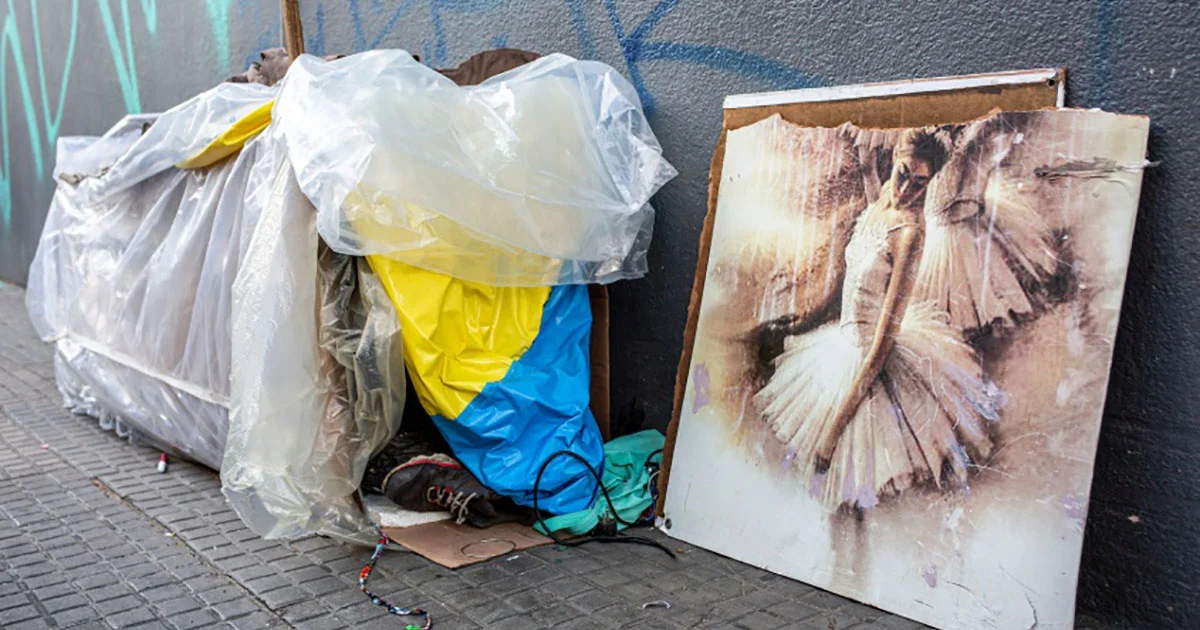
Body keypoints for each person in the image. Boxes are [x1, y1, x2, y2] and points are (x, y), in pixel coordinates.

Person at [754, 128, 1003, 510]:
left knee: (855, 492)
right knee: (813, 495)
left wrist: (833, 431)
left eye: (920, 184)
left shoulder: (911, 234)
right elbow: (875, 220)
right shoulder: (880, 200)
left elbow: (884, 341)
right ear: (894, 161)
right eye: (903, 175)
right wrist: (868, 166)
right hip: (839, 346)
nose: (906, 191)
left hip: (871, 361)